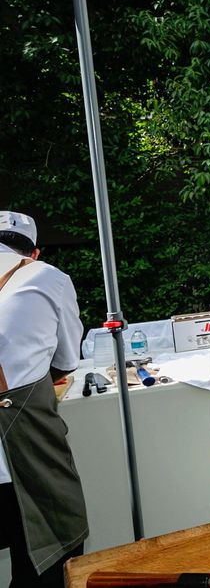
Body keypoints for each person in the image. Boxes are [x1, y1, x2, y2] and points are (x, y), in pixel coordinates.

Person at [0, 211, 87, 588]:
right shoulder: (48, 277)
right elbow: (67, 359)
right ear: (32, 253)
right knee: (51, 558)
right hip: (22, 462)